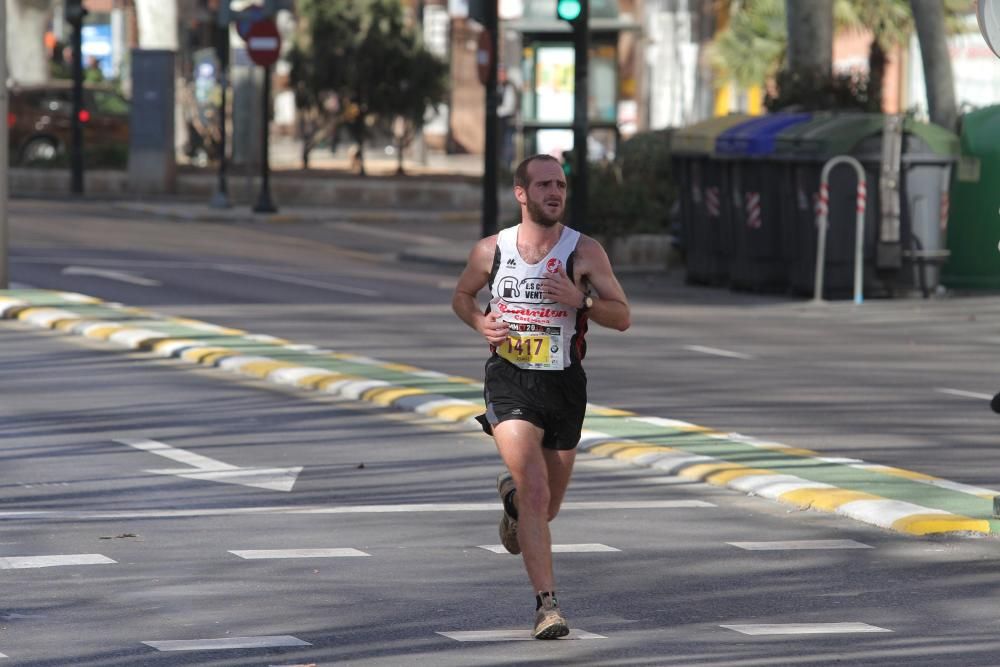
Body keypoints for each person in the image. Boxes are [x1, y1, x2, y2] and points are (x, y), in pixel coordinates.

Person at [452, 154, 631, 639]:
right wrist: (478, 321)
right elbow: (462, 296)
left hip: (565, 385)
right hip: (510, 378)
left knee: (545, 504)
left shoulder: (585, 251)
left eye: (561, 185)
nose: (555, 193)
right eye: (545, 185)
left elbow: (622, 316)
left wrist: (582, 302)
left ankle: (512, 504)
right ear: (521, 193)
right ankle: (547, 606)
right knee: (534, 487)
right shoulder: (492, 249)